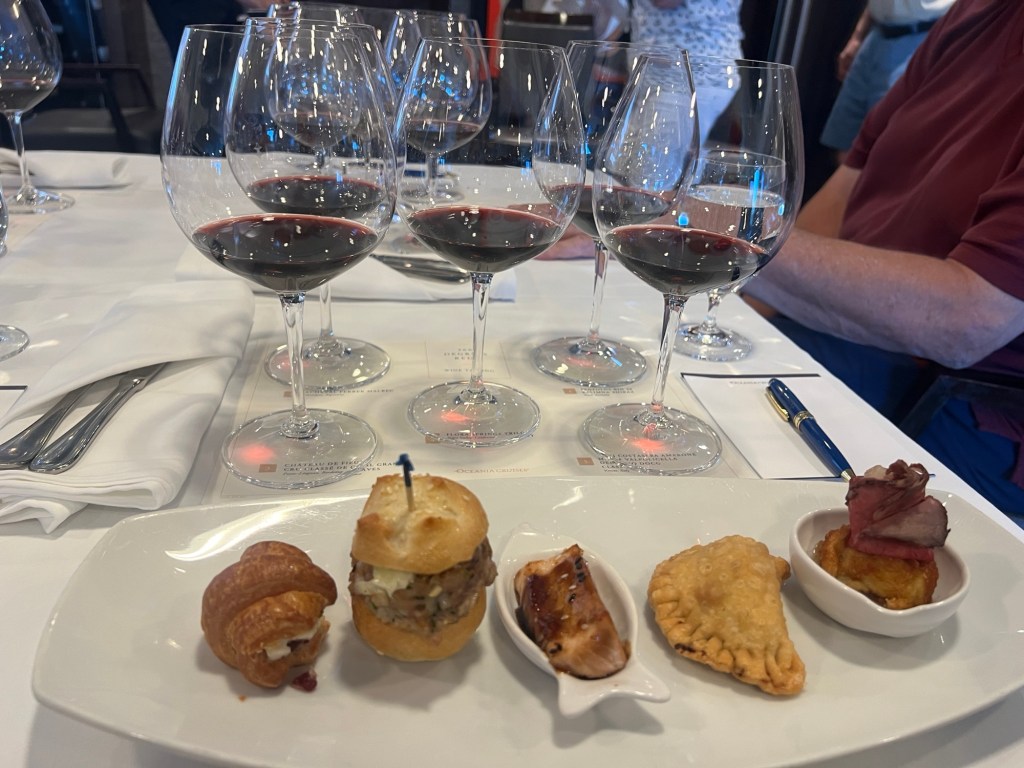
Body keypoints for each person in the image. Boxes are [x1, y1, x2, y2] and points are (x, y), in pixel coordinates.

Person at [743, 0, 1024, 525]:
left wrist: (729, 237)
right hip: (848, 337)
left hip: (963, 407)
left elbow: (969, 321)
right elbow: (842, 198)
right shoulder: (973, 15)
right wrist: (719, 303)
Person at [820, 0, 953, 161]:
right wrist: (857, 37)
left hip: (918, 40)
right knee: (846, 140)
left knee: (883, 147)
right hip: (876, 36)